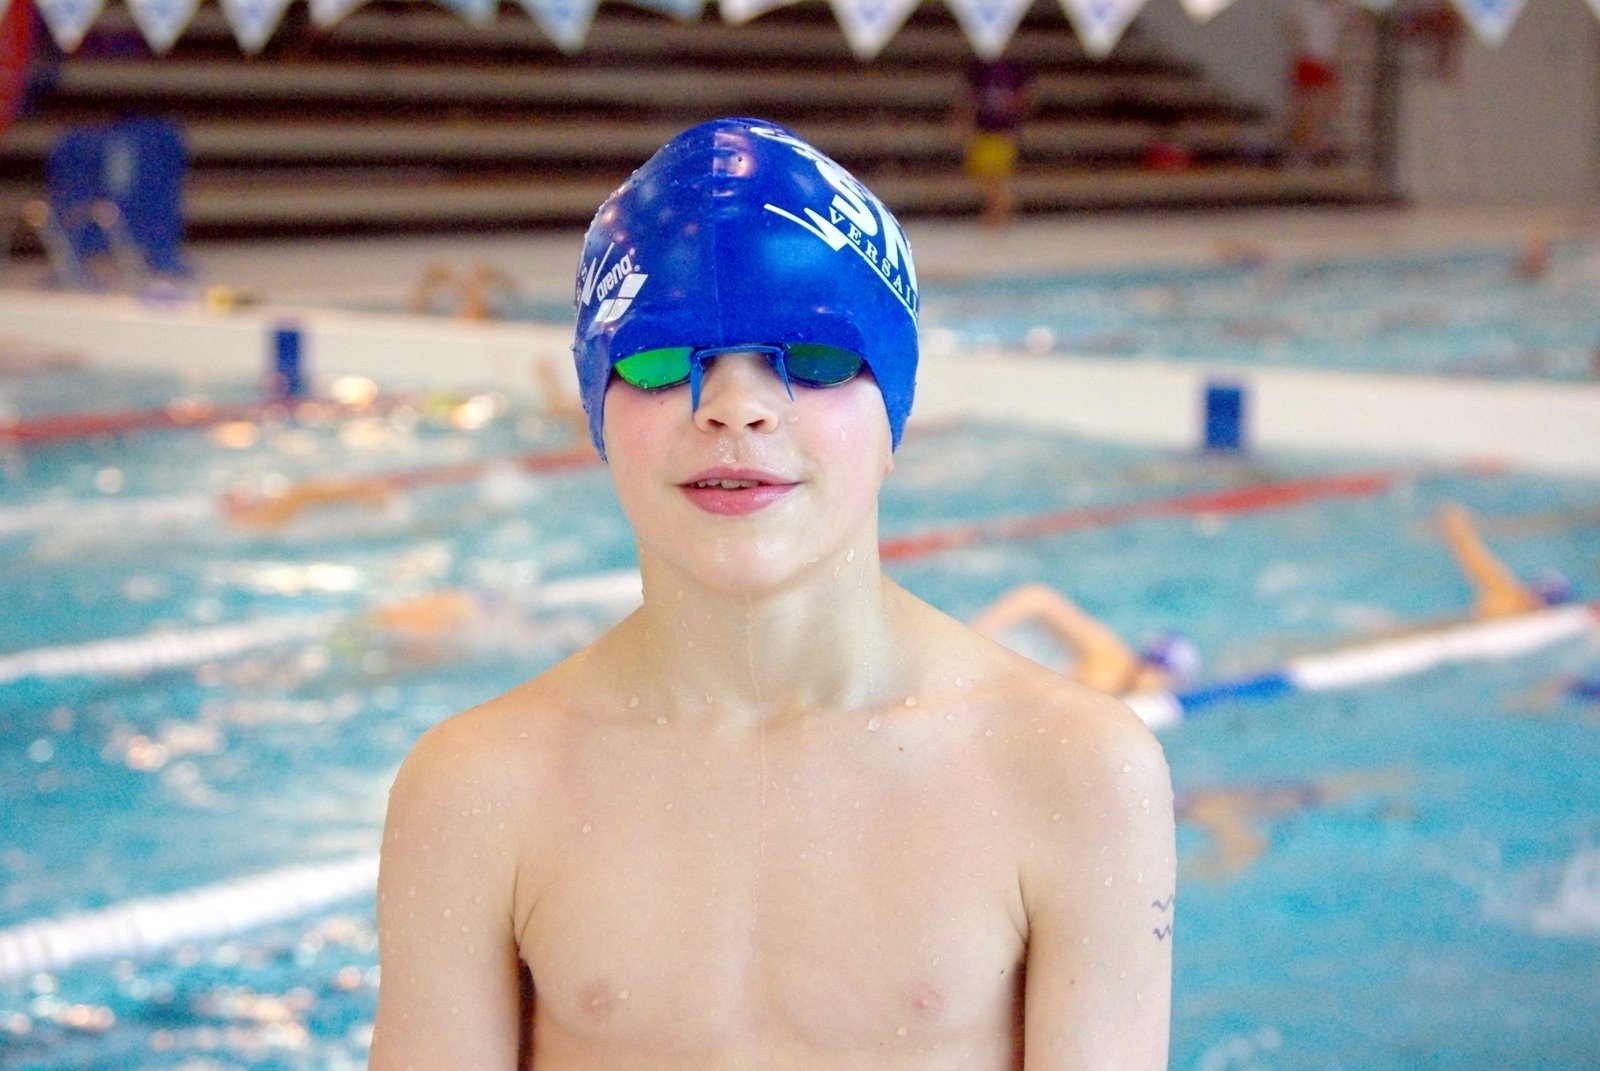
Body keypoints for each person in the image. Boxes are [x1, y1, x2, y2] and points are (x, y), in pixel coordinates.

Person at [370, 118, 1175, 1071]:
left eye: (814, 356)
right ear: (596, 412)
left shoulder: (1074, 770)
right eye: (662, 359)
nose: (735, 408)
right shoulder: (475, 788)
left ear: (895, 406)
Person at [970, 582, 1199, 697]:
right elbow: (1038, 597)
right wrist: (977, 632)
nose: (1153, 679)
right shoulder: (1106, 654)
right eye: (1154, 666)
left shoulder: (1125, 701)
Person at [958, 58, 1034, 227]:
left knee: (996, 177)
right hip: (983, 131)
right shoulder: (979, 69)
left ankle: (998, 211)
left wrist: (1018, 116)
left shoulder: (1015, 69)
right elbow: (971, 99)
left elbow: (1026, 96)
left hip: (1003, 133)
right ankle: (998, 207)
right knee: (983, 174)